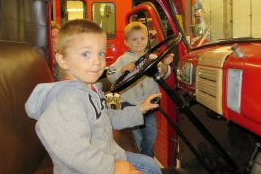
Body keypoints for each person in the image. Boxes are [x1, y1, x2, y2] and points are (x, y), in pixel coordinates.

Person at [25, 19, 163, 174]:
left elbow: (108, 118)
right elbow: (75, 151)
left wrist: (140, 109)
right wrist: (113, 168)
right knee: (151, 169)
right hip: (87, 169)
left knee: (150, 164)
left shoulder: (91, 89)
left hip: (108, 154)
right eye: (86, 53)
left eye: (101, 53)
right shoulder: (67, 101)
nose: (97, 61)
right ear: (62, 60)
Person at [107, 21, 174, 158]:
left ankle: (148, 159)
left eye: (142, 38)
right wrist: (122, 70)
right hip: (131, 106)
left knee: (150, 136)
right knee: (135, 138)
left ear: (147, 39)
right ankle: (137, 162)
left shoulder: (153, 58)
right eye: (134, 39)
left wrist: (165, 65)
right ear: (126, 42)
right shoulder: (123, 59)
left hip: (149, 105)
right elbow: (110, 74)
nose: (139, 42)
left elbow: (163, 73)